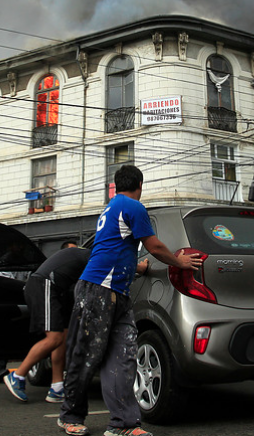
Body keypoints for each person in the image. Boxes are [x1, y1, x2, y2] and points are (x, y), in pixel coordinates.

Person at [57, 165, 202, 436]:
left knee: (123, 357)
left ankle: (123, 424)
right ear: (140, 185)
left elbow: (114, 250)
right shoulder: (132, 206)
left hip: (117, 294)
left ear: (116, 184)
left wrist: (138, 267)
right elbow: (154, 245)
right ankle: (70, 415)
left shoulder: (113, 207)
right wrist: (180, 261)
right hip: (97, 290)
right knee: (87, 356)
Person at [2, 241, 90, 403]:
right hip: (44, 286)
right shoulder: (89, 256)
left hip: (57, 292)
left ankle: (56, 387)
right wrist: (139, 268)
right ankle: (17, 375)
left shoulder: (80, 256)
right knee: (54, 337)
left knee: (62, 338)